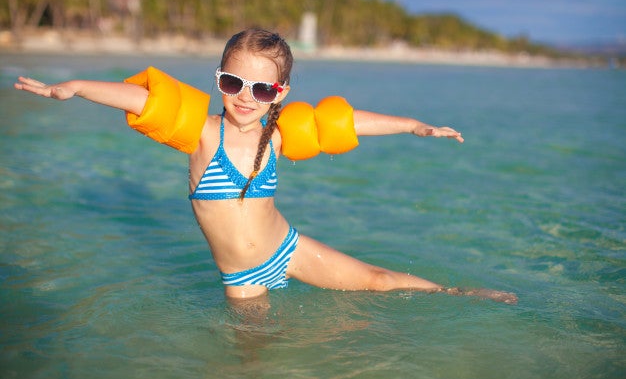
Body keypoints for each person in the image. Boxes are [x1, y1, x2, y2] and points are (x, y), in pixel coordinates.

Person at [14, 28, 517, 306]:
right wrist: (75, 87)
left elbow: (341, 123)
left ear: (281, 95)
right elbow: (144, 99)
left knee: (378, 281)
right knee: (256, 356)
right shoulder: (203, 134)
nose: (246, 98)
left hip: (289, 248)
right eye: (234, 83)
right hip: (243, 280)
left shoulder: (277, 137)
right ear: (219, 82)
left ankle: (458, 293)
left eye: (262, 89)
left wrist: (414, 126)